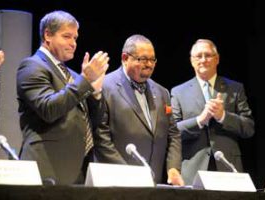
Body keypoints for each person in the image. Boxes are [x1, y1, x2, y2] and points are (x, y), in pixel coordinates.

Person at [16, 10, 109, 185]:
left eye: (75, 38)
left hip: (78, 170)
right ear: (48, 35)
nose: (73, 43)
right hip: (47, 168)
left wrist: (95, 92)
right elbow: (48, 109)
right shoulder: (32, 66)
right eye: (67, 36)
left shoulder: (73, 75)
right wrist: (85, 81)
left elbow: (93, 121)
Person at [96, 34, 184, 186]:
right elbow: (100, 136)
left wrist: (173, 168)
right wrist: (127, 173)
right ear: (125, 58)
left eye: (152, 60)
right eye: (143, 59)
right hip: (116, 182)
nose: (149, 64)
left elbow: (173, 134)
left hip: (153, 183)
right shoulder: (104, 87)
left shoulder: (162, 92)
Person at [171, 39, 254, 185]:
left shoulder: (235, 88)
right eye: (198, 56)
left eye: (208, 55)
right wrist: (200, 120)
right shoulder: (178, 92)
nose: (203, 60)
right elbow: (173, 132)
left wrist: (223, 116)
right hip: (193, 169)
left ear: (217, 59)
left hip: (227, 167)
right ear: (192, 61)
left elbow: (249, 128)